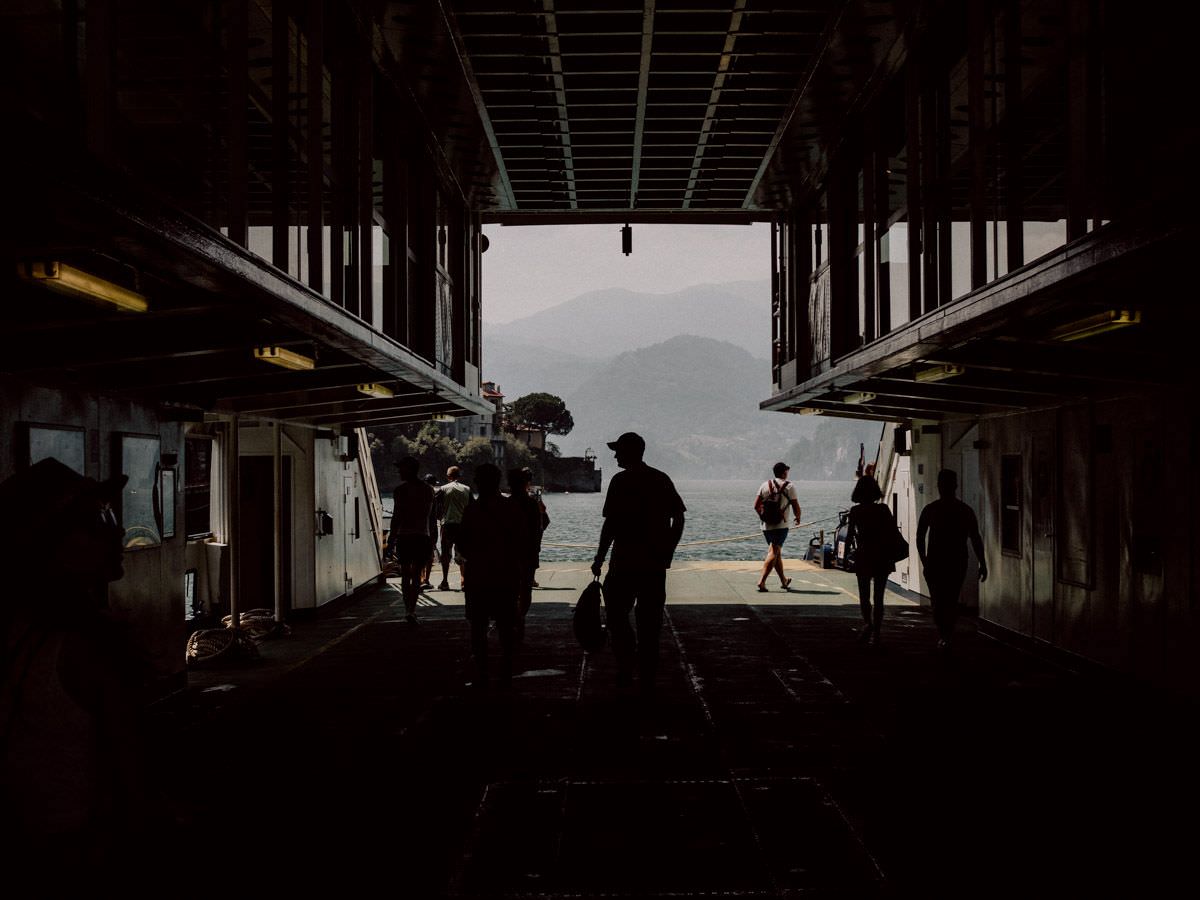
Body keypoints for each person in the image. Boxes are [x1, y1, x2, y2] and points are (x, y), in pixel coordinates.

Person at [0, 459, 150, 871]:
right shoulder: (91, 647)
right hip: (83, 848)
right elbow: (132, 779)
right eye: (100, 520)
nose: (118, 530)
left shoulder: (20, 630)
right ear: (54, 544)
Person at [591, 432, 686, 695]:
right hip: (653, 564)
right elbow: (679, 518)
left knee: (616, 617)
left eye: (618, 451)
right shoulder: (660, 479)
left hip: (623, 562)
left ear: (629, 452)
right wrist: (668, 550)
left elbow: (610, 524)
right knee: (650, 623)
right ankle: (647, 676)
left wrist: (599, 557)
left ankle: (625, 664)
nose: (615, 456)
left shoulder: (619, 482)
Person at [457, 463, 527, 689]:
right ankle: (506, 670)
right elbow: (521, 541)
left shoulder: (472, 511)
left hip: (478, 575)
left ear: (479, 482)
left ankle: (482, 673)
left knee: (478, 626)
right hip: (506, 574)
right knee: (506, 625)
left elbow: (463, 545)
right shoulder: (512, 508)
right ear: (498, 482)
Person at [916, 468, 987, 652]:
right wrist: (982, 562)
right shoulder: (965, 511)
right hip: (957, 561)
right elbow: (975, 538)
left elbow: (920, 537)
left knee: (938, 601)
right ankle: (947, 635)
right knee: (951, 599)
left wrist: (924, 561)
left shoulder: (930, 510)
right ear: (956, 485)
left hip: (935, 562)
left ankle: (944, 634)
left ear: (939, 486)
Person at [845, 474, 895, 646]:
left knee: (864, 595)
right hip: (882, 555)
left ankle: (868, 624)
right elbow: (892, 531)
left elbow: (850, 536)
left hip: (864, 555)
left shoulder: (856, 511)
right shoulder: (883, 510)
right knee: (879, 597)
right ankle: (877, 633)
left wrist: (846, 557)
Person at [387, 457, 436, 624]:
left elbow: (396, 517)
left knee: (405, 574)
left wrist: (391, 539)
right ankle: (412, 609)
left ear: (409, 469)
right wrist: (433, 538)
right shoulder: (428, 490)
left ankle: (407, 609)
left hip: (404, 536)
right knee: (416, 574)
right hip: (422, 536)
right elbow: (431, 517)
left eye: (401, 468)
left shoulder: (400, 491)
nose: (399, 471)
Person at [507, 467, 546, 642]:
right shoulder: (532, 504)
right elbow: (539, 528)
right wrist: (536, 548)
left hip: (509, 554)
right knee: (525, 588)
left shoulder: (506, 504)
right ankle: (521, 616)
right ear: (525, 483)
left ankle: (514, 617)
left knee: (510, 588)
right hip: (528, 552)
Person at [755, 462, 802, 592]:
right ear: (784, 472)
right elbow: (796, 506)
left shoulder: (765, 485)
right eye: (787, 471)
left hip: (766, 526)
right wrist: (798, 517)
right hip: (781, 525)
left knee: (776, 553)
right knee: (773, 552)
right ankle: (762, 581)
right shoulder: (789, 486)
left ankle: (784, 581)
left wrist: (763, 517)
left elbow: (756, 505)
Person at [436, 465, 472, 591]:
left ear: (448, 476)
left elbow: (436, 506)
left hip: (448, 524)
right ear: (459, 476)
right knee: (463, 553)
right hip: (463, 526)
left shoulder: (443, 489)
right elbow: (472, 508)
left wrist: (440, 517)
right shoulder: (467, 489)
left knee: (446, 553)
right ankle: (464, 581)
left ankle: (445, 581)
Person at [420, 474, 439, 590]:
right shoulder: (433, 495)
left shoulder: (418, 494)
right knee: (429, 554)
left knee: (419, 554)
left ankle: (421, 578)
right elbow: (436, 514)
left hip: (419, 528)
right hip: (431, 529)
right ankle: (426, 579)